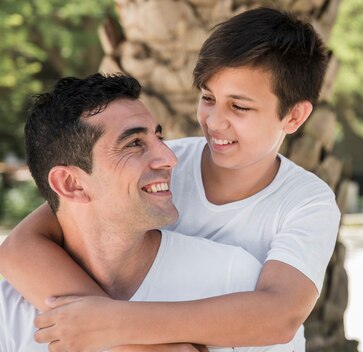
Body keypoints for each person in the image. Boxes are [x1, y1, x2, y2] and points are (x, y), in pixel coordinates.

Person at [0, 7, 340, 352]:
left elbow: (279, 316)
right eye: (208, 98)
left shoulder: (306, 202)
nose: (215, 121)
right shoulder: (158, 165)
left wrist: (115, 325)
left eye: (240, 107)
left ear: (294, 116)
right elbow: (20, 247)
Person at [1, 73, 292, 351]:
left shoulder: (235, 281)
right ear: (70, 184)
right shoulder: (9, 307)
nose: (170, 158)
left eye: (159, 138)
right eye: (134, 144)